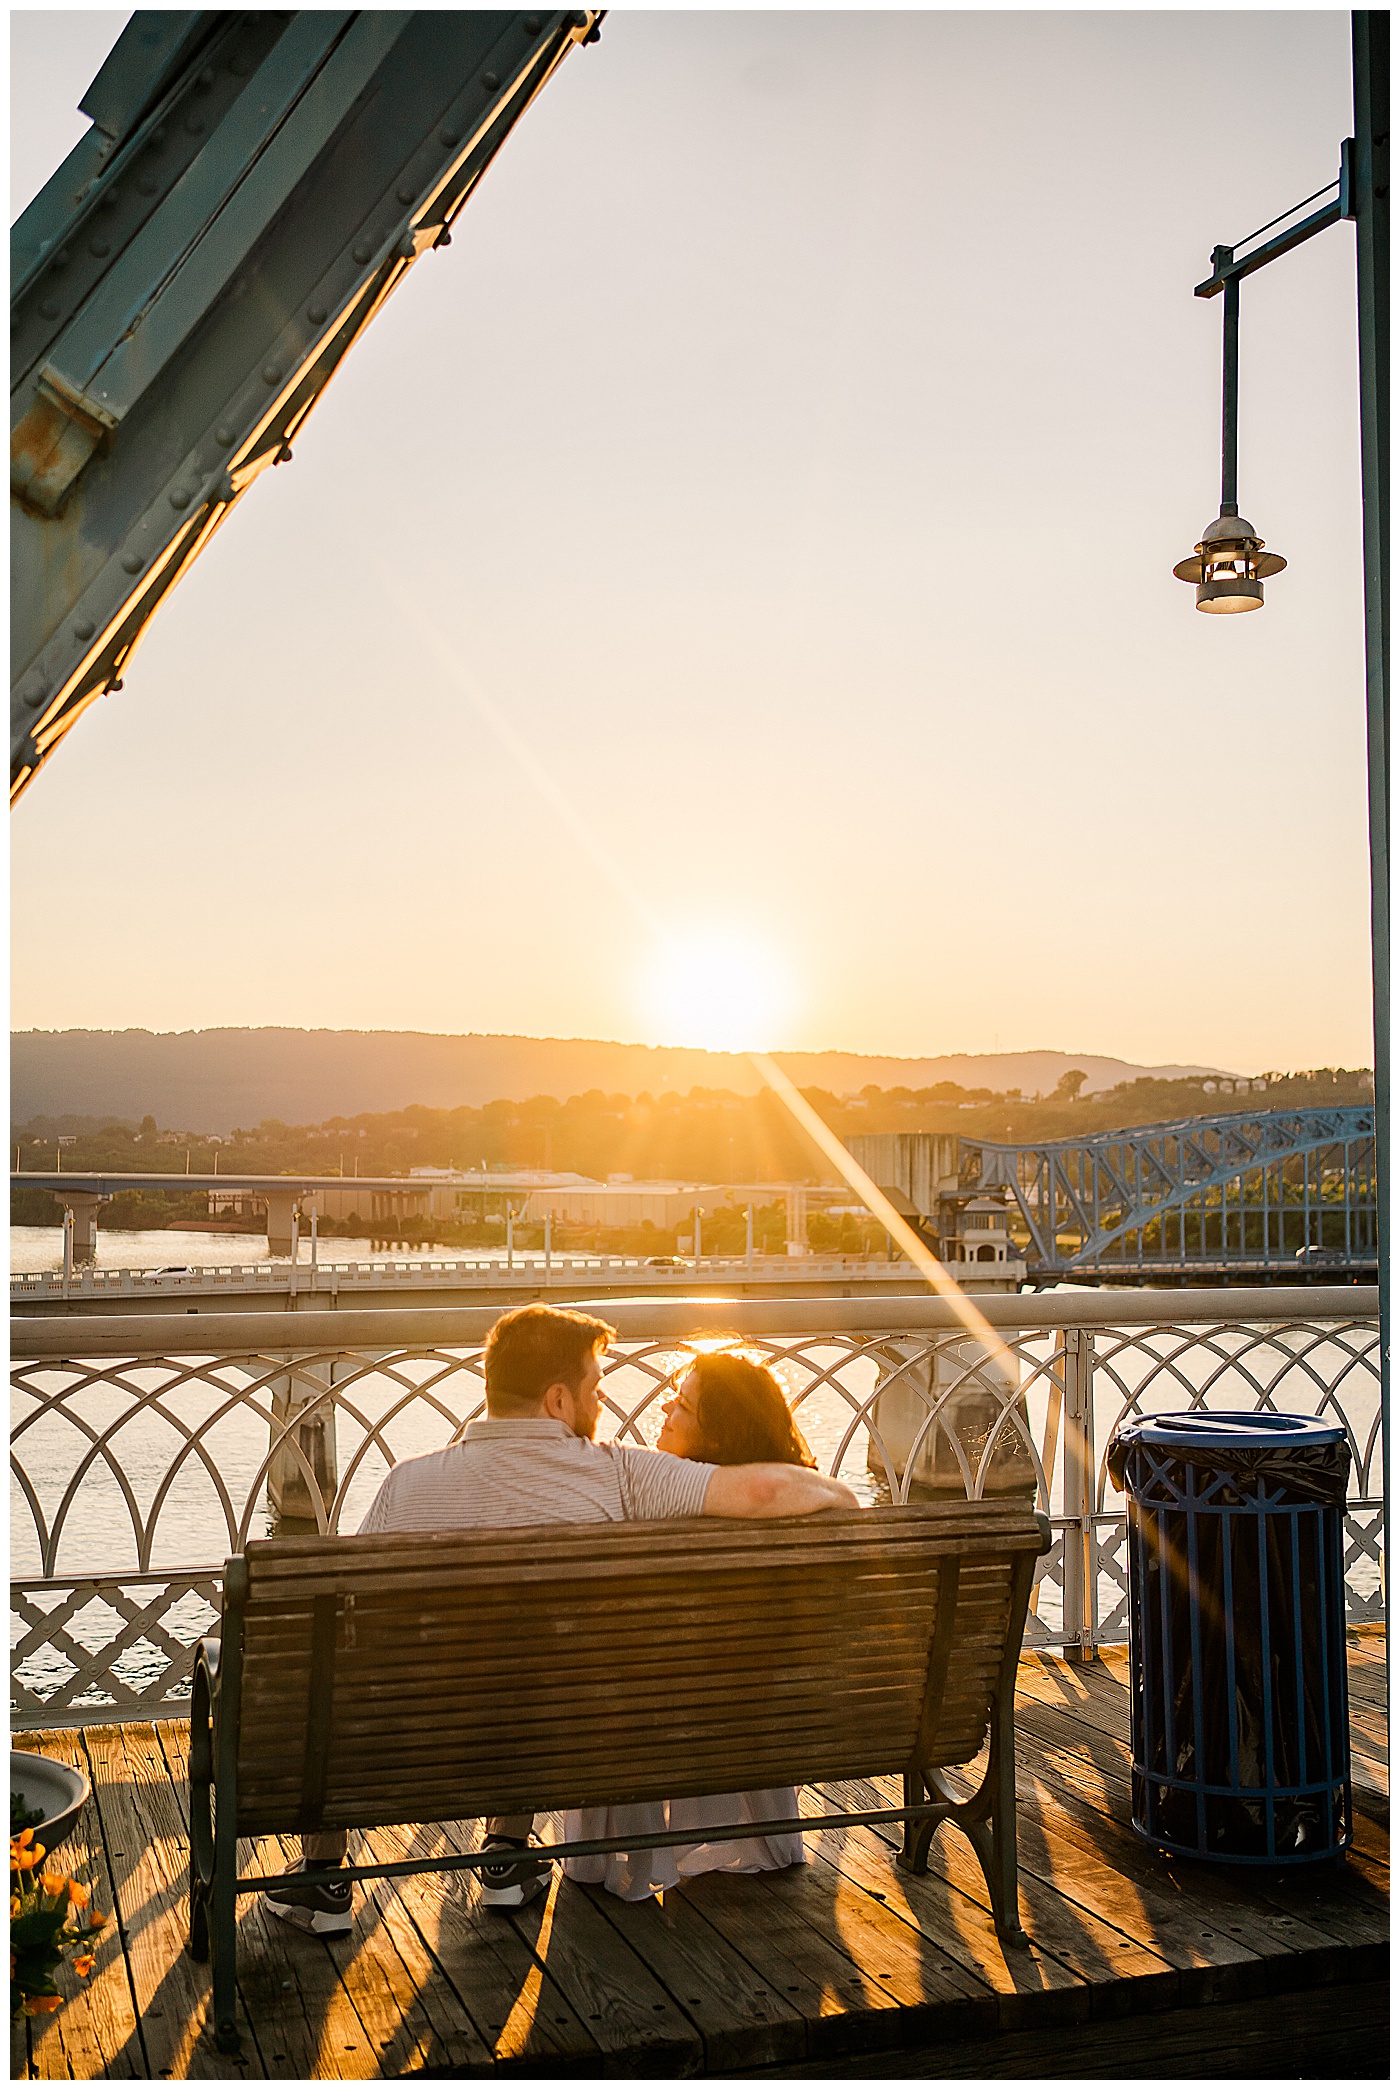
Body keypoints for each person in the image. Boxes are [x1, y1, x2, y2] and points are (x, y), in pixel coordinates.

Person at [262, 1304, 858, 1936]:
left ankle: (323, 1877)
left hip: (405, 1748)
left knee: (335, 1677)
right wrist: (838, 1495)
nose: (600, 1404)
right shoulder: (622, 1475)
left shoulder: (405, 1487)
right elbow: (773, 1493)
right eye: (594, 1389)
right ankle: (507, 1856)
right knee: (529, 1666)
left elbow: (343, 1633)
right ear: (556, 1399)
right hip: (555, 1739)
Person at [562, 1351, 823, 1901]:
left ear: (721, 1435)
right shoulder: (797, 1514)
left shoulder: (646, 1511)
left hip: (657, 1723)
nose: (664, 1406)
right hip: (773, 1720)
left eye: (682, 1404)